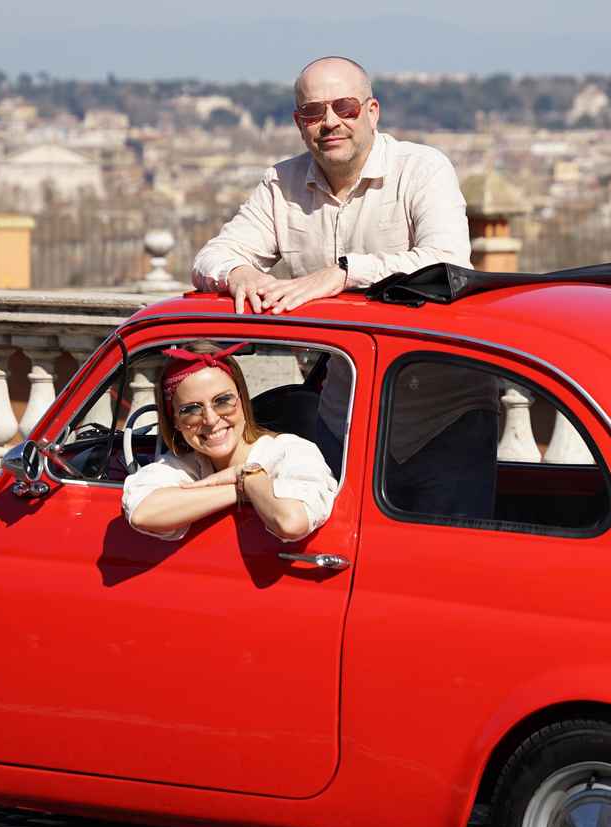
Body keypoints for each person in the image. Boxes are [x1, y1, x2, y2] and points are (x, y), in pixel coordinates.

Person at [190, 56, 497, 517]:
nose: (330, 122)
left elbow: (447, 262)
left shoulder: (423, 169)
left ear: (372, 111)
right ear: (299, 123)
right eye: (314, 112)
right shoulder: (281, 184)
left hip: (445, 419)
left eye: (345, 107)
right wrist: (240, 273)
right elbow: (211, 257)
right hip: (345, 416)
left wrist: (342, 274)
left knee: (443, 567)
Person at [123, 341, 338, 543]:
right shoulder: (188, 464)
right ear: (176, 422)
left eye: (223, 401)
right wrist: (238, 486)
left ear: (242, 400)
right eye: (191, 410)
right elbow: (143, 512)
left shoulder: (291, 451)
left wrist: (249, 476)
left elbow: (291, 522)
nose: (211, 419)